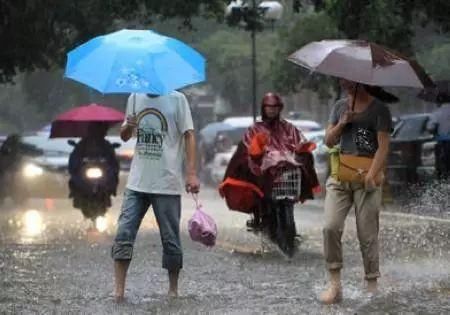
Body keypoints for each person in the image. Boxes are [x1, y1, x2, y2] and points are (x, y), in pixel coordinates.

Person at [111, 91, 200, 302]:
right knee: (124, 233)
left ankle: (173, 290)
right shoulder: (134, 98)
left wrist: (191, 172)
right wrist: (129, 125)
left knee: (170, 239)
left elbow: (189, 135)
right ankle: (118, 291)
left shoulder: (178, 99)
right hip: (137, 182)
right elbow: (124, 136)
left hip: (166, 183)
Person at [319, 79, 395, 304]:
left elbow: (383, 146)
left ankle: (371, 284)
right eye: (342, 79)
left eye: (348, 80)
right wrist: (342, 123)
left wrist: (372, 174)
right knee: (330, 227)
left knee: (367, 234)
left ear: (360, 81)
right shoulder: (340, 106)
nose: (344, 83)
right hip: (340, 177)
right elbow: (328, 140)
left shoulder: (380, 110)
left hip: (368, 179)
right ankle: (335, 284)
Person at [221, 92, 319, 230]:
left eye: (275, 106)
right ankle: (258, 216)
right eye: (269, 106)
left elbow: (300, 143)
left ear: (280, 108)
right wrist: (257, 155)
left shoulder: (289, 128)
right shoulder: (255, 128)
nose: (272, 109)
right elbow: (247, 149)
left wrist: (300, 151)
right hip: (263, 176)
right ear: (264, 108)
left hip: (286, 177)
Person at [68, 123, 119, 199]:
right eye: (94, 130)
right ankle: (74, 191)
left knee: (113, 174)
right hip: (85, 167)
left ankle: (112, 190)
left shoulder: (106, 144)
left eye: (99, 130)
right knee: (74, 177)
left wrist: (111, 165)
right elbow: (75, 157)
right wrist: (77, 164)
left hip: (102, 168)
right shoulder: (82, 143)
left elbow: (112, 159)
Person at [427, 102, 450, 179]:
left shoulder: (437, 113)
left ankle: (443, 181)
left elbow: (430, 128)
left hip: (442, 142)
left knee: (442, 165)